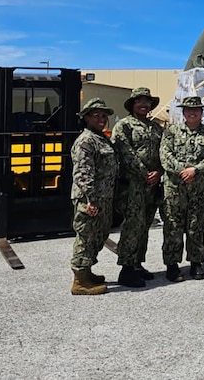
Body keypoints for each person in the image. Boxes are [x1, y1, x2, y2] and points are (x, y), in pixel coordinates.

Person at [159, 96, 204, 282]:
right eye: (188, 109)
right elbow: (165, 155)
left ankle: (196, 263)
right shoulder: (171, 132)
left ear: (202, 112)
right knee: (173, 226)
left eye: (196, 109)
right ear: (183, 112)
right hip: (175, 188)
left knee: (196, 226)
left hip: (200, 189)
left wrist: (195, 170)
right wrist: (182, 171)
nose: (192, 112)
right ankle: (172, 265)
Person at [112, 87, 165, 288]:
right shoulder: (124, 126)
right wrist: (145, 174)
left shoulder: (156, 127)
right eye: (139, 101)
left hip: (152, 185)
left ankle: (137, 263)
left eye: (147, 101)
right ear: (132, 105)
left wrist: (159, 172)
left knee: (145, 226)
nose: (143, 105)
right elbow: (126, 153)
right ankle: (126, 268)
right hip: (133, 184)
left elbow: (164, 152)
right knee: (132, 226)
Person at [69, 98, 119, 295]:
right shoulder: (86, 140)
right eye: (96, 115)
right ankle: (79, 281)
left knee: (97, 236)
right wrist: (91, 199)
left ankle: (87, 272)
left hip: (103, 198)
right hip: (90, 199)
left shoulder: (100, 138)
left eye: (104, 115)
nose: (102, 118)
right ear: (87, 118)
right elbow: (83, 173)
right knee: (86, 236)